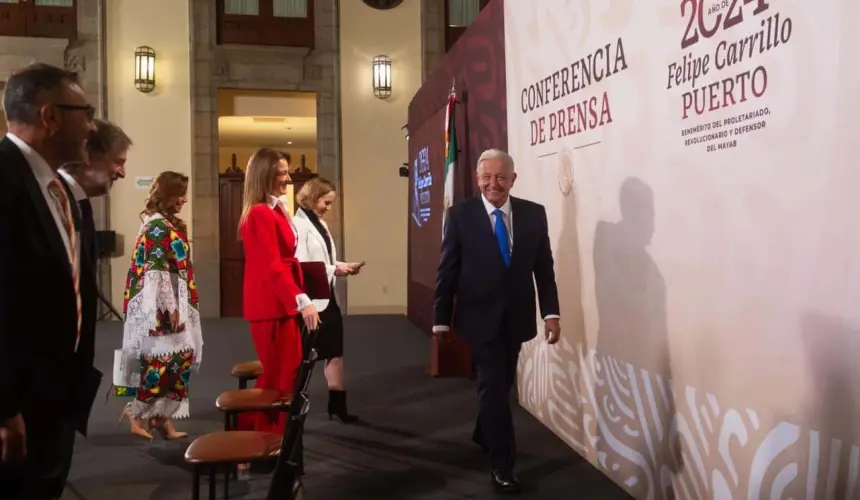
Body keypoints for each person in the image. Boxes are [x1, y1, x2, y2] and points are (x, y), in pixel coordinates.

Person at [433, 148, 561, 494]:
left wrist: (551, 313)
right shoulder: (460, 215)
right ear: (477, 179)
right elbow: (448, 270)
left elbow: (543, 269)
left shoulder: (534, 215)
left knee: (501, 382)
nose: (494, 183)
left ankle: (482, 432)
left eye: (501, 177)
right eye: (487, 177)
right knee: (494, 390)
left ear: (513, 179)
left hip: (516, 318)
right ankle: (502, 464)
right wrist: (440, 321)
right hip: (478, 318)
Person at [0, 63, 100, 499]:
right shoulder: (3, 179)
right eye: (86, 111)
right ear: (50, 116)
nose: (91, 126)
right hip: (17, 404)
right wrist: (3, 408)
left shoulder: (58, 187)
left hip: (56, 395)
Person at [112, 171, 203, 440]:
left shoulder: (167, 223)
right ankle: (137, 412)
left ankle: (162, 418)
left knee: (179, 361)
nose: (184, 200)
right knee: (162, 362)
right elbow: (156, 270)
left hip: (176, 301)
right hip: (159, 306)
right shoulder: (156, 226)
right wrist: (170, 307)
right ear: (165, 195)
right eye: (179, 194)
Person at [238, 148, 320, 435]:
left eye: (287, 171)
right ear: (264, 176)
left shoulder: (275, 209)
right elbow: (273, 267)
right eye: (281, 173)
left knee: (286, 373)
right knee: (278, 376)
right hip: (270, 304)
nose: (288, 178)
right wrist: (302, 301)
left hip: (281, 302)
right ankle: (260, 437)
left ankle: (270, 437)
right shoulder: (260, 214)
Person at [293, 177, 364, 423]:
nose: (328, 208)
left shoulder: (319, 224)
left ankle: (338, 406)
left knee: (335, 352)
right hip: (311, 303)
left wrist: (342, 266)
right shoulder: (298, 226)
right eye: (326, 202)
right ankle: (292, 405)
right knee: (306, 358)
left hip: (327, 298)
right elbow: (302, 266)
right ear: (312, 197)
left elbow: (324, 261)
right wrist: (336, 270)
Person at [59, 118, 132, 274]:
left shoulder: (79, 202)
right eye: (118, 162)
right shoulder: (54, 200)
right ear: (88, 155)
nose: (122, 173)